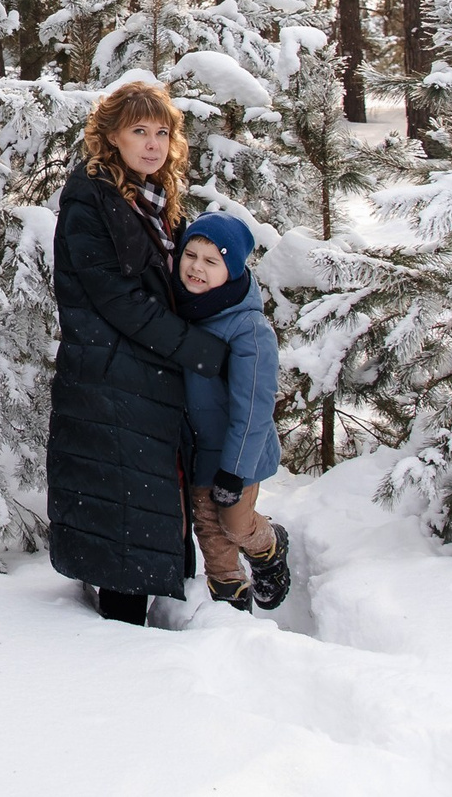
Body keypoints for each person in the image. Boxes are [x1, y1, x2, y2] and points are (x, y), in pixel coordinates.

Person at [45, 80, 225, 626]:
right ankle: (120, 645)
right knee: (124, 508)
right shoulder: (90, 200)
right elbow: (116, 298)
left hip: (141, 374)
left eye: (161, 132)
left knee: (140, 504)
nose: (152, 144)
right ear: (112, 137)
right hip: (109, 377)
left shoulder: (150, 199)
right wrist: (198, 350)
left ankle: (136, 623)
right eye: (139, 131)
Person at [173, 212, 293, 611]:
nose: (196, 267)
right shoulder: (181, 309)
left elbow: (254, 409)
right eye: (191, 255)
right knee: (209, 531)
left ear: (233, 268)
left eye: (212, 261)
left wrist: (234, 470)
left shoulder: (248, 328)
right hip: (198, 451)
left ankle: (269, 548)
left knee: (235, 524)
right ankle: (230, 604)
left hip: (239, 453)